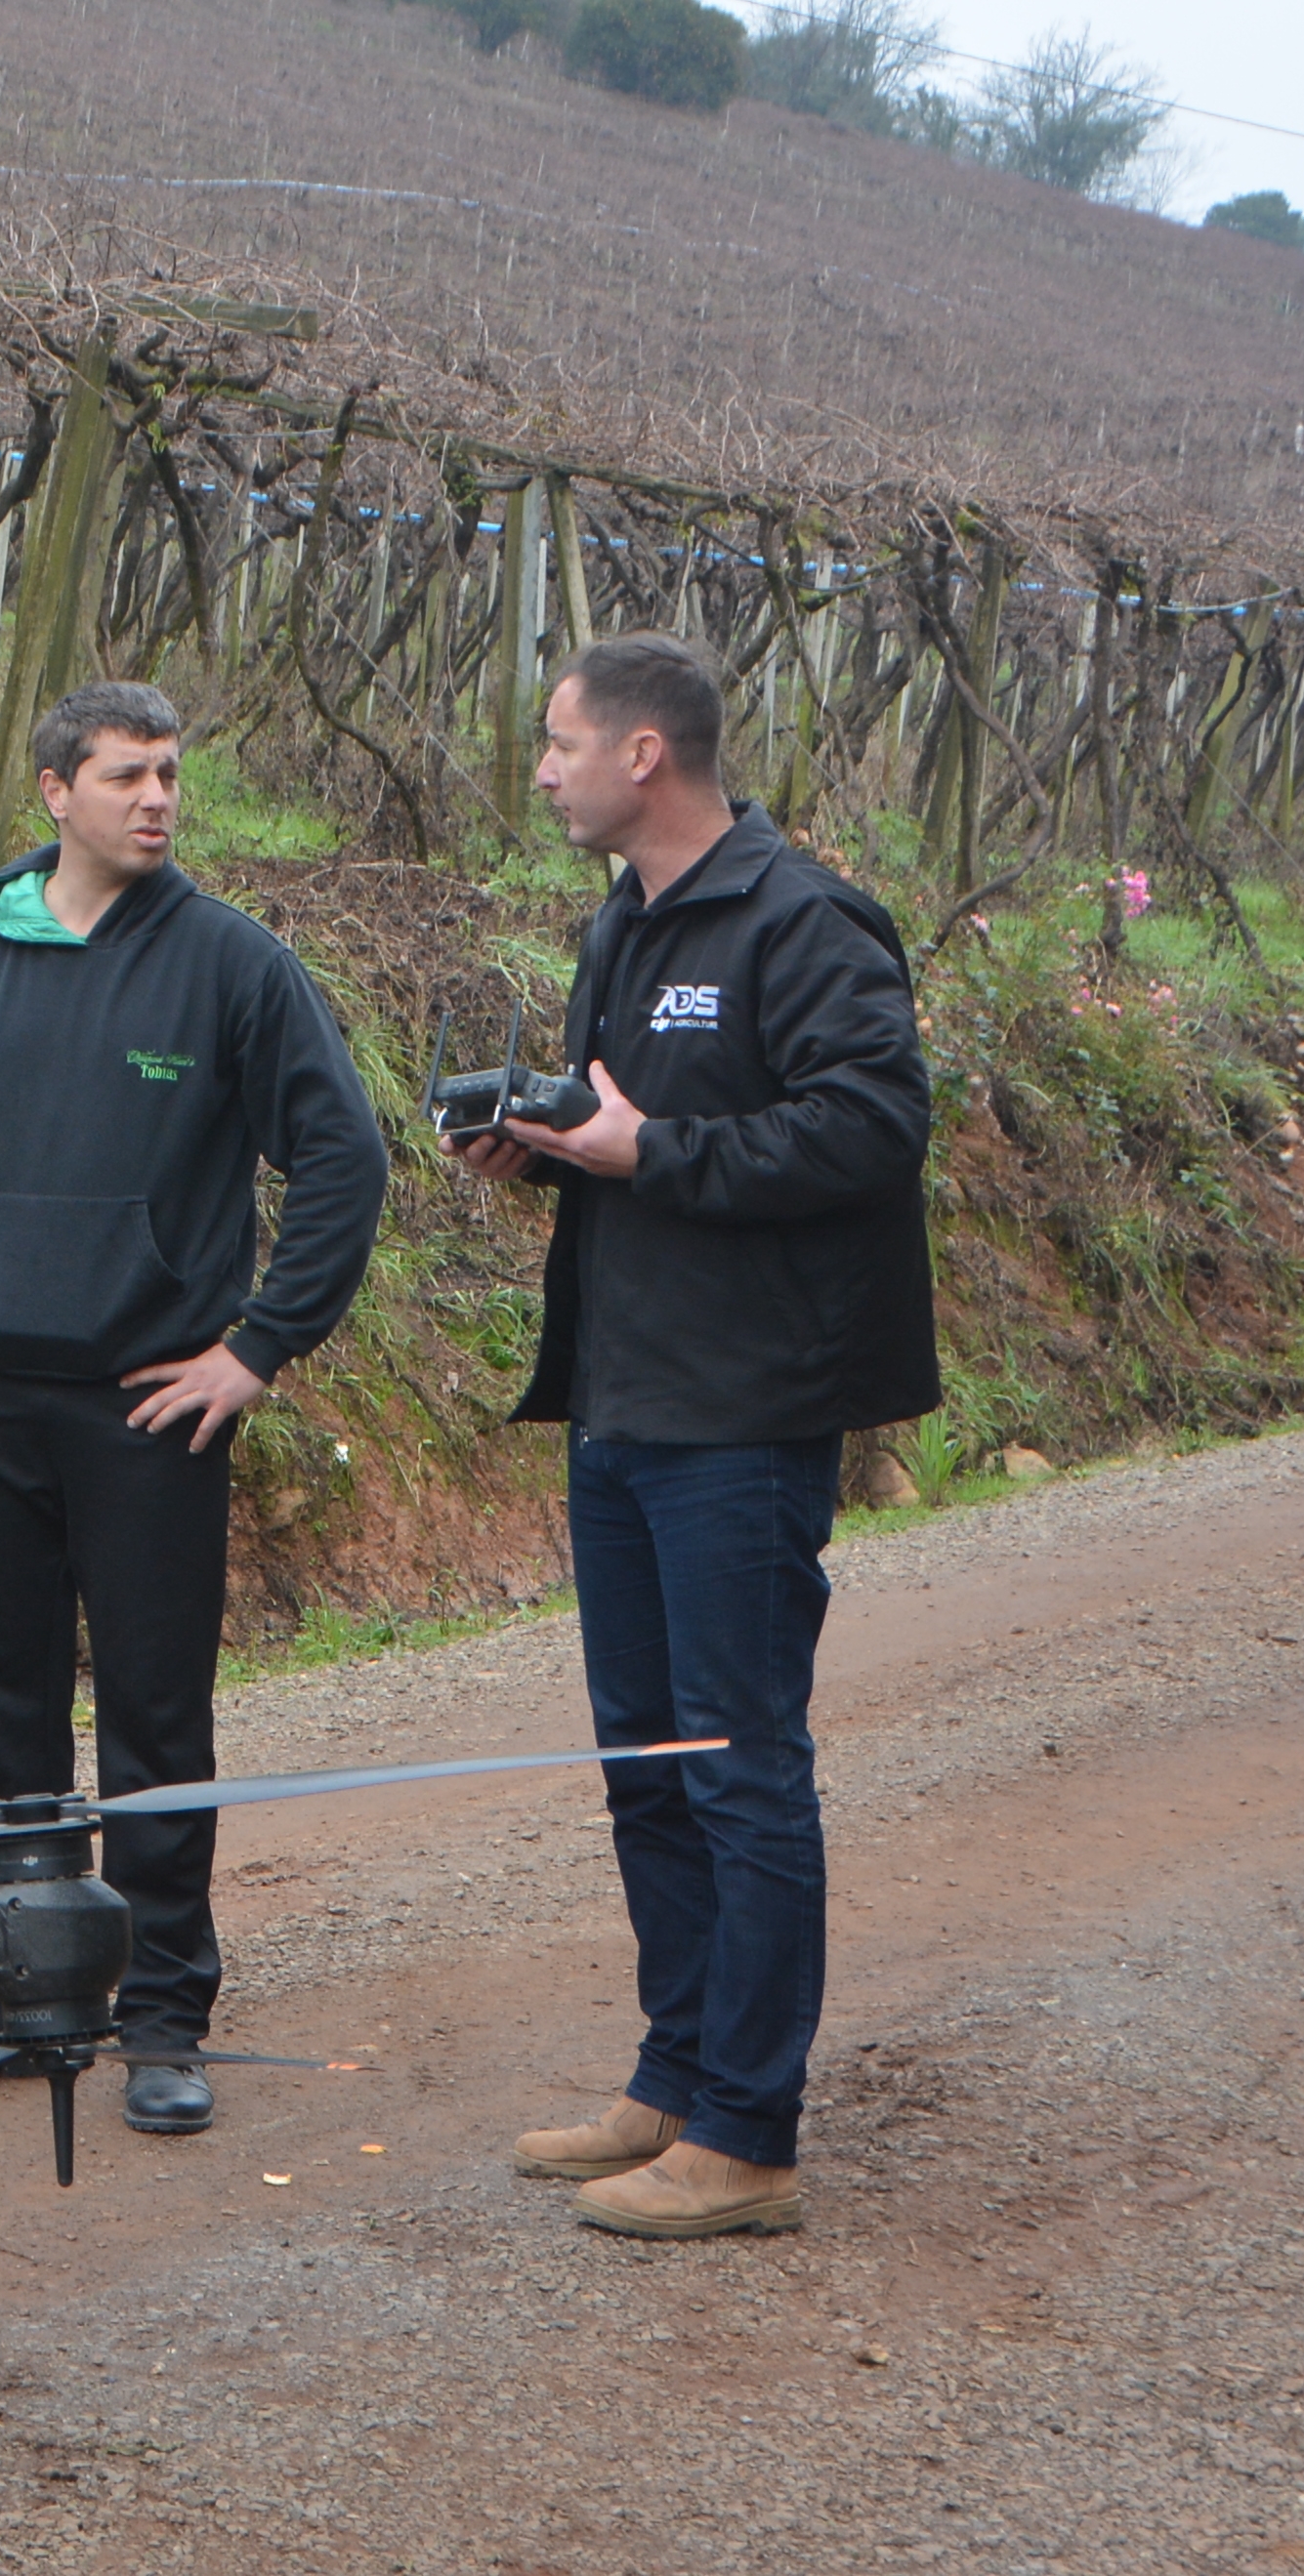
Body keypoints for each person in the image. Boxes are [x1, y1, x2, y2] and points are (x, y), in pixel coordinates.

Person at [0, 682, 386, 2133]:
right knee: (1, 1708)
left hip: (152, 1411)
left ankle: (161, 2009)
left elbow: (343, 1160)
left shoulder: (232, 968)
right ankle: (12, 1985)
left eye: (174, 776)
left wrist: (257, 1350)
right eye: (128, 775)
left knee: (153, 1719)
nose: (158, 801)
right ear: (54, 792)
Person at [448, 633, 936, 2239]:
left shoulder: (805, 918)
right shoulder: (626, 920)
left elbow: (871, 1125)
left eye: (559, 740)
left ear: (644, 754)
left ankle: (750, 2136)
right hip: (625, 1402)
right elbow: (633, 1132)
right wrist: (559, 1146)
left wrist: (651, 1149)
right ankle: (673, 2079)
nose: (542, 768)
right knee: (648, 1772)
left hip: (745, 1418)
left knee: (739, 1771)